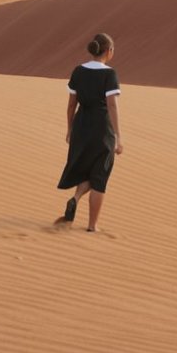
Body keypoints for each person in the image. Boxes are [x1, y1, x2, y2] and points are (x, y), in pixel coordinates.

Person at [56, 33, 123, 232]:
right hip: (102, 129)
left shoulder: (78, 71)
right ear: (108, 51)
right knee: (99, 176)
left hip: (81, 126)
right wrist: (118, 136)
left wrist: (70, 129)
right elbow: (112, 106)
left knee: (87, 169)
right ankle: (92, 226)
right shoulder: (109, 74)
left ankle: (76, 198)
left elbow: (70, 106)